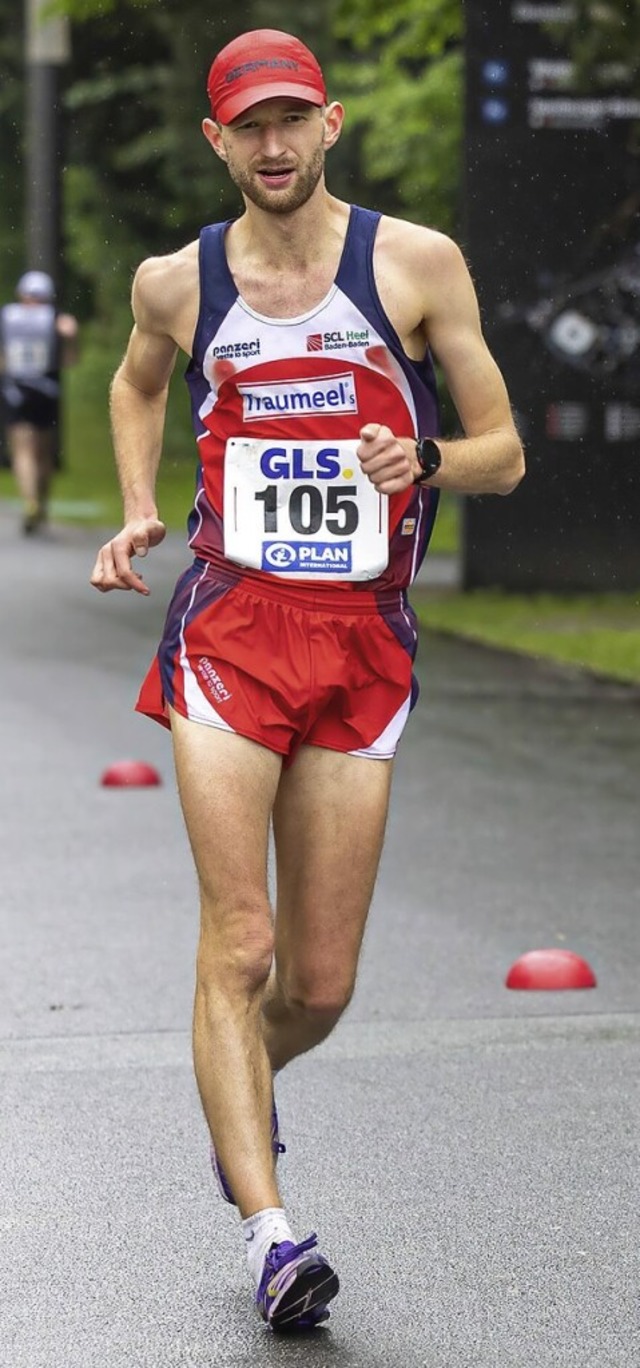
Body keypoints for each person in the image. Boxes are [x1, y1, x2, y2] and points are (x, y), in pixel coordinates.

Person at [90, 28, 525, 1333]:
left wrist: (428, 461)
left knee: (318, 985)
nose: (272, 145)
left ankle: (238, 1096)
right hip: (230, 627)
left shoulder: (415, 264)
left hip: (364, 640)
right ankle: (272, 1231)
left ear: (329, 124)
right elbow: (134, 382)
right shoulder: (178, 282)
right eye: (247, 126)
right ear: (218, 142)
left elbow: (504, 450)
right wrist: (129, 508)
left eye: (292, 119)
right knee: (242, 942)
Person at [0, 270, 78, 534]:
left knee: (22, 450)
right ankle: (41, 504)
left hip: (16, 390)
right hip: (47, 390)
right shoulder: (56, 319)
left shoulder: (7, 317)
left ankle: (31, 501)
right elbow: (70, 359)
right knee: (43, 453)